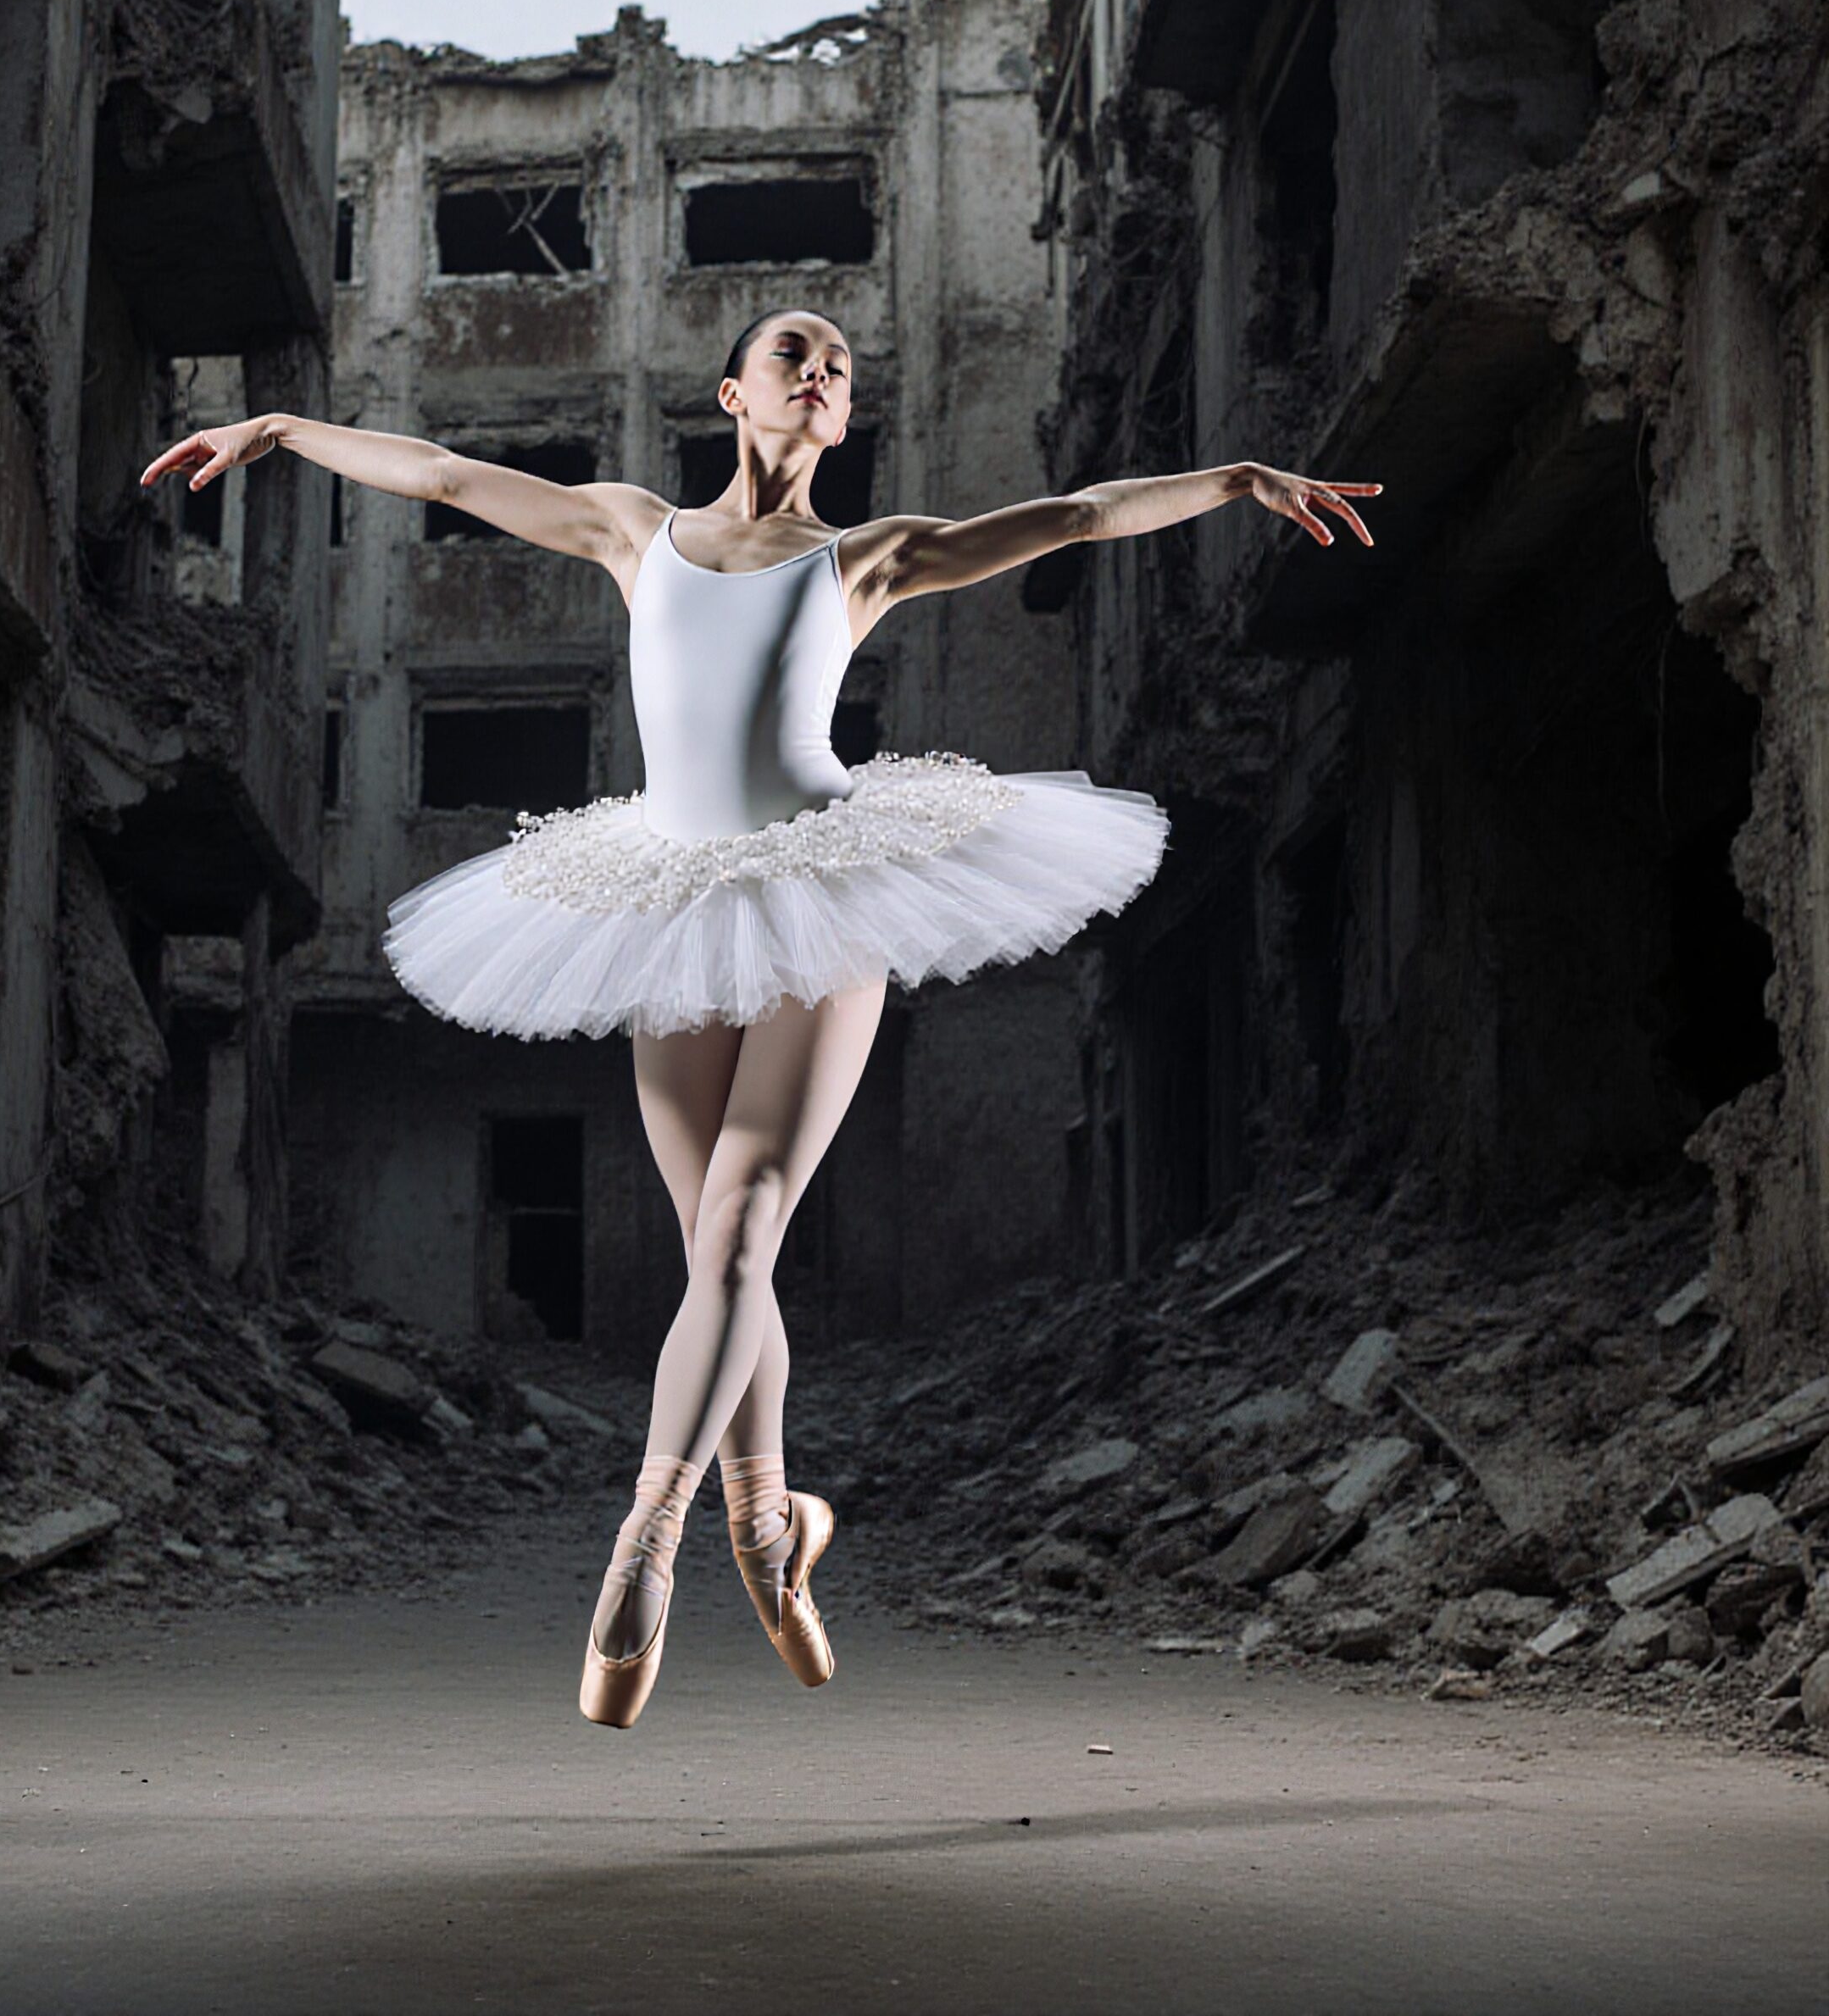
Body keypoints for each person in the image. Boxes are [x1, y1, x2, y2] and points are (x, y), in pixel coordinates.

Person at [141, 307, 1379, 1730]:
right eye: (797, 352)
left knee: (739, 1228)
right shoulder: (633, 530)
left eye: (843, 366)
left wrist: (1231, 483)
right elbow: (440, 476)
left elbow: (1081, 515)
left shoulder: (870, 558)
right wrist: (285, 430)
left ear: (843, 420)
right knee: (728, 1257)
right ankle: (770, 1526)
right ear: (735, 392)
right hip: (665, 896)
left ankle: (647, 1544)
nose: (823, 371)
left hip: (823, 893)